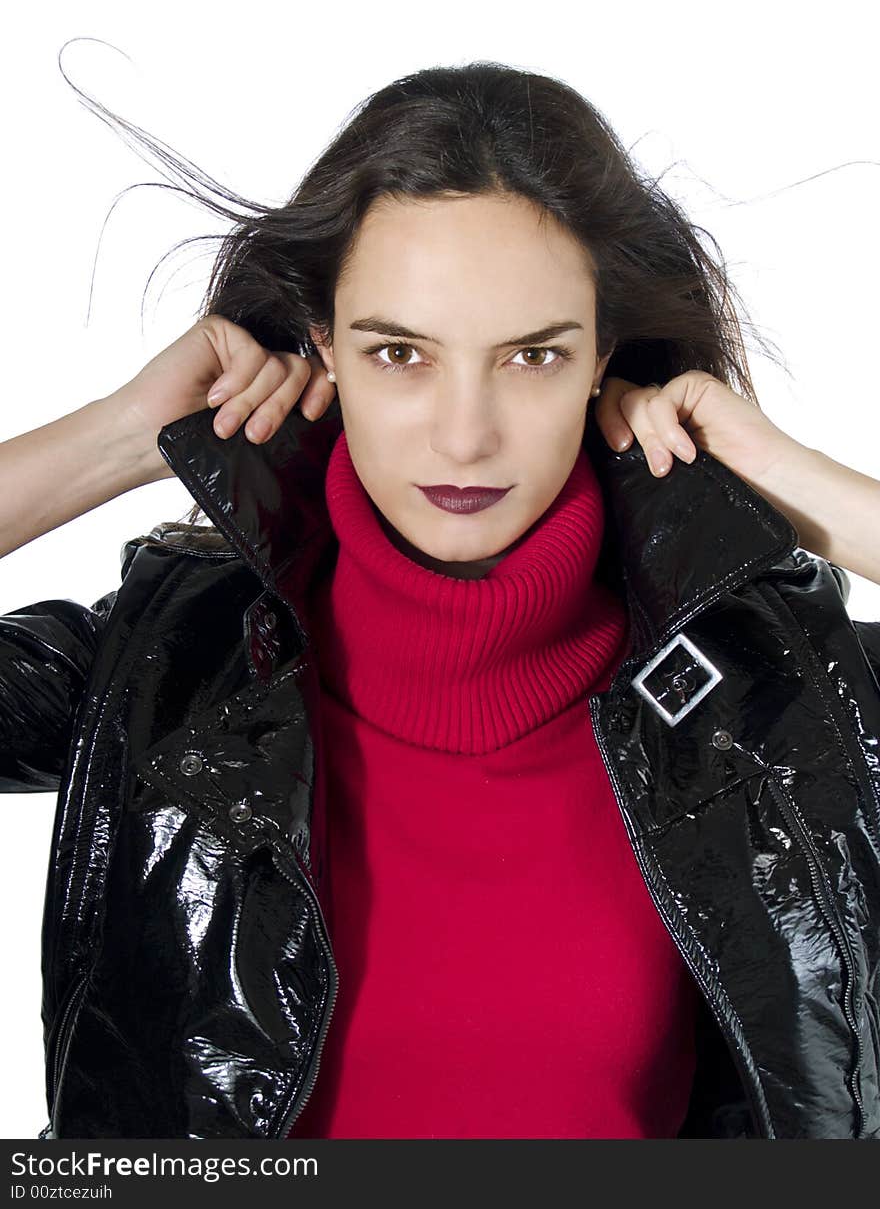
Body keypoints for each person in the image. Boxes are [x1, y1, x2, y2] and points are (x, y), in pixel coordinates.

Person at [2, 60, 880, 1141]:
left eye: (531, 356)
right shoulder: (162, 669)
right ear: (322, 342)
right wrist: (107, 442)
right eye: (400, 352)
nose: (465, 436)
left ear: (602, 354)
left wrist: (793, 487)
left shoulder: (774, 697)